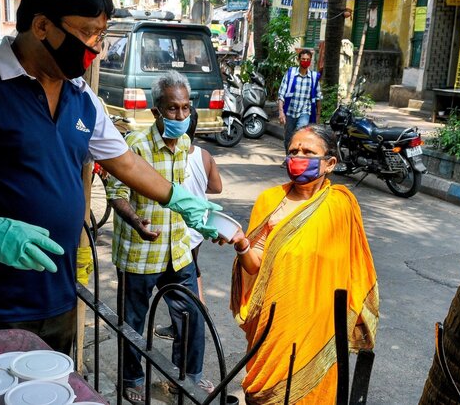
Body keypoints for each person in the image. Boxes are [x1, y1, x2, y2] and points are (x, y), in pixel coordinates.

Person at [0, 0, 221, 357]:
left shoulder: (81, 95)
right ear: (41, 26)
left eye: (100, 35)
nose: (96, 47)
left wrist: (182, 201)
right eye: (88, 33)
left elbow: (127, 163)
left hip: (58, 296)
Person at [226, 125, 379, 404]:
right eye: (293, 151)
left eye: (309, 152)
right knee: (268, 392)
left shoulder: (342, 205)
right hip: (276, 325)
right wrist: (241, 244)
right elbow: (254, 265)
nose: (298, 157)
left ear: (330, 163)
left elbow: (356, 267)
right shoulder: (270, 201)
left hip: (321, 327)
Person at [106, 71, 215, 404]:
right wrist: (136, 220)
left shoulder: (184, 144)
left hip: (177, 250)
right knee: (133, 322)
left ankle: (187, 377)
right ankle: (133, 378)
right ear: (156, 112)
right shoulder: (135, 145)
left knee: (191, 316)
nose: (181, 116)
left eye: (185, 108)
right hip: (141, 250)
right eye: (172, 109)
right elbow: (115, 191)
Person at [155, 110, 223, 340]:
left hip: (179, 228)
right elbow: (217, 188)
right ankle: (194, 318)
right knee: (193, 271)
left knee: (182, 282)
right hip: (199, 228)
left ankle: (191, 323)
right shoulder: (204, 156)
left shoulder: (171, 157)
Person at [277, 50, 323, 155]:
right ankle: (288, 157)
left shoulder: (314, 77)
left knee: (299, 134)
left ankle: (296, 158)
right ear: (298, 60)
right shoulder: (290, 74)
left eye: (308, 59)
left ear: (310, 61)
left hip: (305, 112)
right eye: (303, 59)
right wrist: (281, 112)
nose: (305, 61)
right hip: (290, 111)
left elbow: (318, 97)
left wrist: (318, 114)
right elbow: (281, 94)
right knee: (289, 137)